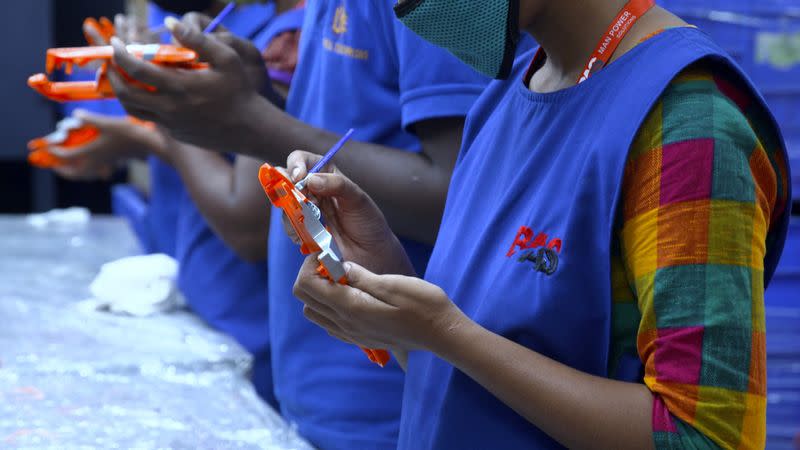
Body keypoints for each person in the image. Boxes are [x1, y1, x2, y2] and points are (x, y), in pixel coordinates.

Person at [284, 0, 792, 449]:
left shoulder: (688, 126)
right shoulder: (507, 95)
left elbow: (703, 436)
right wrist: (384, 283)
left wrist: (446, 333)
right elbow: (467, 379)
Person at [105, 1, 495, 448]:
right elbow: (320, 138)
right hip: (320, 388)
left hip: (392, 401)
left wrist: (247, 122)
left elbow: (462, 196)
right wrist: (253, 93)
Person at [52, 0, 305, 408]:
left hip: (256, 328)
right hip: (208, 301)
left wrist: (158, 111)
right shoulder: (194, 20)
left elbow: (248, 219)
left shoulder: (281, 41)